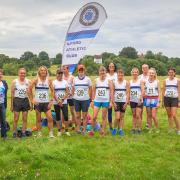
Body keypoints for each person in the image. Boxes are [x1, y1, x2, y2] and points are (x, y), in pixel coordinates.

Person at [29, 66, 54, 138]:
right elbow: (29, 89)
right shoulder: (36, 80)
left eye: (44, 70)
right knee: (38, 119)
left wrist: (51, 101)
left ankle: (51, 134)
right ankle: (39, 133)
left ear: (46, 72)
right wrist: (32, 100)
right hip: (38, 103)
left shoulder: (49, 80)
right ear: (39, 72)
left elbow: (53, 91)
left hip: (46, 103)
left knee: (50, 118)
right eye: (41, 70)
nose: (43, 72)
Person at [89, 66, 113, 136]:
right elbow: (93, 91)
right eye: (101, 71)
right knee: (94, 117)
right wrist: (92, 100)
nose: (102, 73)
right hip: (97, 100)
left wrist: (111, 102)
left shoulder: (109, 81)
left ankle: (103, 132)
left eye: (104, 71)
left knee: (104, 117)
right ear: (99, 72)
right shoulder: (96, 80)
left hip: (105, 101)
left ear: (106, 72)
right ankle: (92, 130)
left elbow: (111, 91)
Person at [11, 68, 31, 138]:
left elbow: (30, 93)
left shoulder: (28, 81)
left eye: (24, 73)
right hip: (17, 100)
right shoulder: (14, 81)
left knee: (25, 118)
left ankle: (23, 132)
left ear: (25, 74)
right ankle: (14, 132)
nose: (22, 74)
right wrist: (11, 105)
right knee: (16, 118)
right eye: (21, 73)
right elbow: (12, 93)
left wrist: (31, 103)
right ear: (18, 73)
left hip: (25, 100)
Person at [72, 64, 92, 134]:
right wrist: (72, 95)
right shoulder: (75, 79)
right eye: (79, 70)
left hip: (85, 100)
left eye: (82, 70)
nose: (81, 71)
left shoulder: (88, 79)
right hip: (76, 100)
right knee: (77, 115)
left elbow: (90, 89)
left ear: (84, 71)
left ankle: (84, 129)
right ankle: (78, 129)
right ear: (78, 71)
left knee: (84, 116)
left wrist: (90, 98)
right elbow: (73, 88)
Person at [162, 67, 180, 135]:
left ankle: (178, 129)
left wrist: (179, 101)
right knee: (169, 115)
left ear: (174, 73)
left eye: (172, 72)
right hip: (167, 98)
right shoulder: (165, 80)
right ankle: (171, 128)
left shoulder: (177, 80)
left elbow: (179, 91)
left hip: (174, 99)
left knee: (174, 115)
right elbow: (163, 90)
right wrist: (163, 101)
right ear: (168, 73)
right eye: (169, 72)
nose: (171, 73)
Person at [112, 69, 129, 136]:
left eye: (121, 74)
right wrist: (113, 102)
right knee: (117, 117)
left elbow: (127, 93)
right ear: (117, 75)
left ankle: (120, 129)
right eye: (119, 74)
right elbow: (112, 92)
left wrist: (126, 102)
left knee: (122, 117)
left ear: (123, 75)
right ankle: (114, 128)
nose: (120, 75)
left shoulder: (126, 82)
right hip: (116, 102)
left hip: (123, 102)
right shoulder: (114, 82)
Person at [53, 68, 70, 136]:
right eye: (59, 73)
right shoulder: (54, 82)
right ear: (56, 74)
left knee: (66, 116)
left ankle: (66, 130)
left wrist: (62, 100)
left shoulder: (65, 82)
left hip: (64, 101)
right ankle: (59, 130)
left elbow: (67, 92)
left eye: (61, 73)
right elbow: (53, 93)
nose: (60, 75)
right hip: (56, 102)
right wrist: (58, 101)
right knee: (58, 116)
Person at [143, 68, 160, 133]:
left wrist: (158, 101)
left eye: (152, 73)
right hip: (147, 99)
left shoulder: (157, 81)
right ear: (148, 73)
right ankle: (150, 129)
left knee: (153, 115)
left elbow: (159, 92)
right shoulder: (145, 81)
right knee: (149, 115)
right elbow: (144, 90)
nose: (151, 74)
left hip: (154, 99)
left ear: (155, 74)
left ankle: (157, 128)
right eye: (150, 73)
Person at [129, 68, 143, 134]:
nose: (134, 73)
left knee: (138, 115)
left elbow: (143, 90)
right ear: (131, 73)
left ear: (138, 73)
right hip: (132, 100)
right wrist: (128, 99)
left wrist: (140, 97)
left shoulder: (140, 81)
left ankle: (139, 128)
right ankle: (133, 128)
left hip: (139, 100)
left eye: (136, 72)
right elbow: (128, 91)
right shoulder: (130, 82)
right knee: (134, 115)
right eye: (133, 72)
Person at [63, 65, 76, 129]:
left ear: (68, 70)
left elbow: (74, 86)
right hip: (64, 97)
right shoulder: (61, 77)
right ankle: (64, 124)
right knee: (64, 111)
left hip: (71, 97)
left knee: (72, 111)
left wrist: (72, 93)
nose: (64, 70)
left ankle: (73, 124)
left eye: (65, 69)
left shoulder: (72, 77)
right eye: (63, 69)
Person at [106, 62, 117, 131]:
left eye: (112, 66)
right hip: (108, 94)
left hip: (116, 94)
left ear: (114, 67)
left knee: (117, 111)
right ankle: (110, 127)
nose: (111, 67)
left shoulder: (116, 75)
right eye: (110, 66)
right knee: (109, 112)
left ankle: (117, 126)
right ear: (108, 67)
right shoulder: (106, 75)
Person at [139, 64, 149, 128]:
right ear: (142, 69)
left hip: (148, 96)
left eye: (146, 68)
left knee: (148, 111)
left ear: (148, 68)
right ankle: (140, 123)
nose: (144, 69)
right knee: (140, 111)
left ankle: (148, 124)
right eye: (143, 68)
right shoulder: (139, 76)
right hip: (141, 96)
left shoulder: (151, 76)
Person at [0, 69, 8, 139]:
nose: (0, 75)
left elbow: (5, 93)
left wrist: (5, 104)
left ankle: (4, 135)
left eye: (1, 73)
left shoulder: (4, 83)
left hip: (2, 104)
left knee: (3, 120)